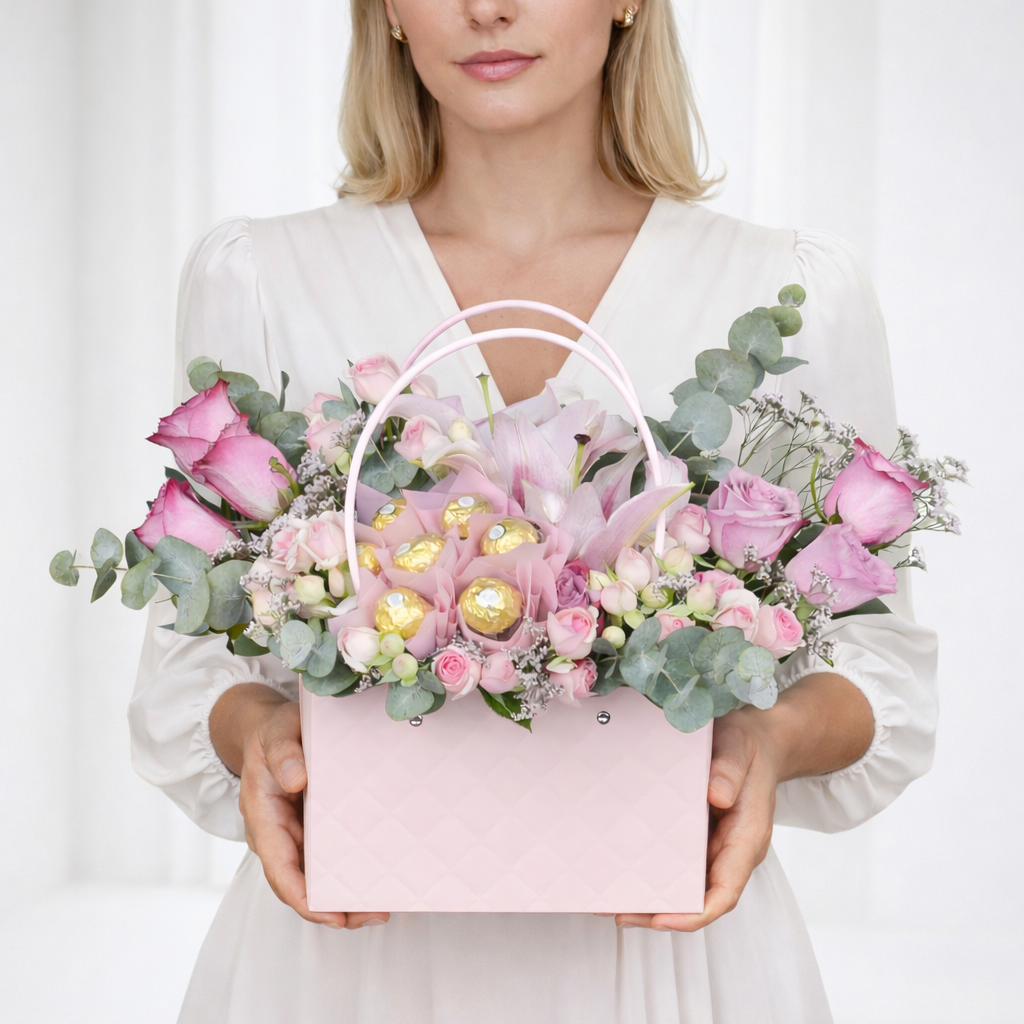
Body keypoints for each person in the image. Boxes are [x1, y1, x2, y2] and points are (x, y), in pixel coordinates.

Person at [129, 2, 938, 1021]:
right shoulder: (260, 276)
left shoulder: (791, 289)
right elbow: (189, 666)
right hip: (346, 965)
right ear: (382, 11)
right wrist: (258, 736)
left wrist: (765, 741)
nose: (486, 8)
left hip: (666, 964)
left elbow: (879, 671)